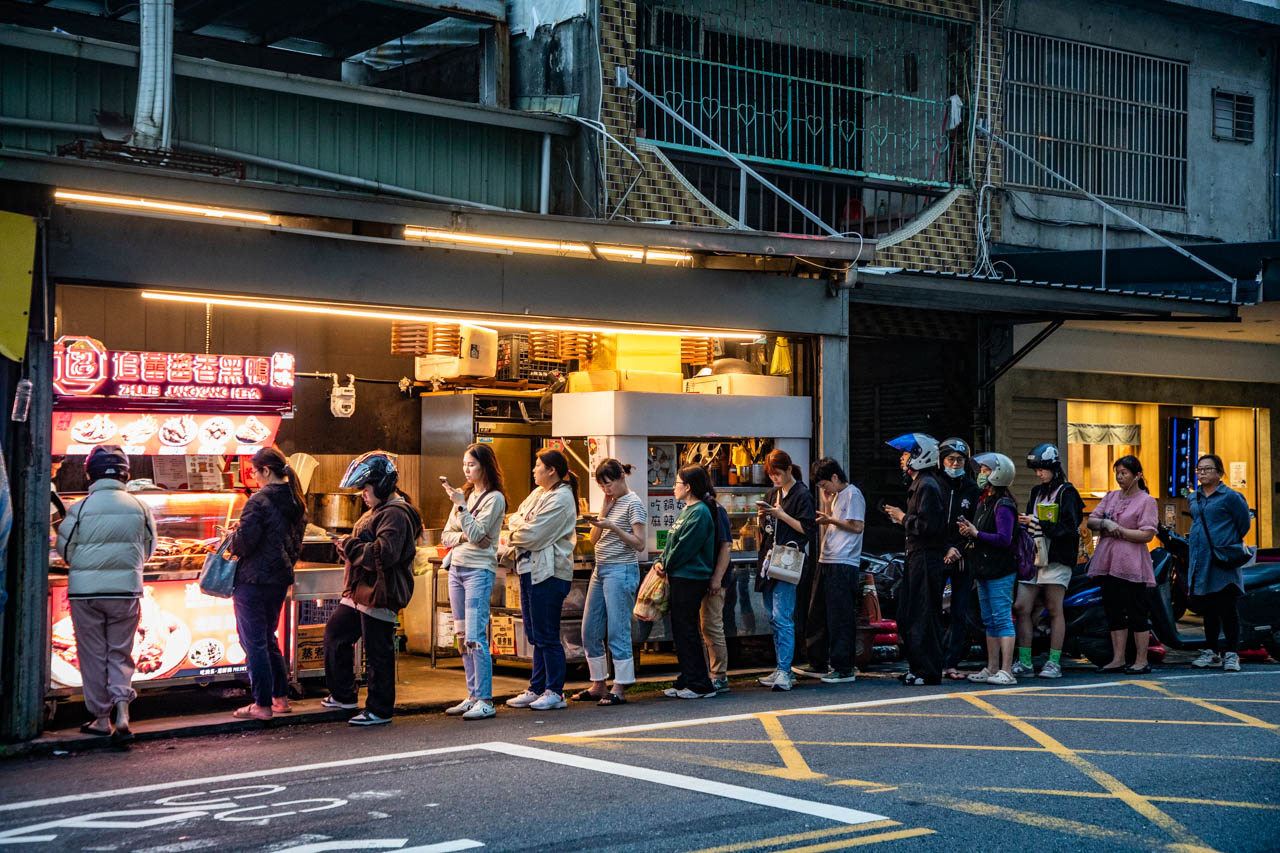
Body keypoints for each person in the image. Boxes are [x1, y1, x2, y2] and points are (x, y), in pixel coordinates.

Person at [55, 445, 156, 743]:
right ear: (126, 474)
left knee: (92, 655)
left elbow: (65, 549)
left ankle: (101, 718)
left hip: (86, 594)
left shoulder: (80, 507)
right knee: (121, 653)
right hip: (126, 591)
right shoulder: (140, 506)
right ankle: (123, 713)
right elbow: (149, 549)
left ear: (90, 474)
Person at [324, 451, 422, 726]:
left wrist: (349, 545)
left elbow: (384, 554)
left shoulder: (396, 514)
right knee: (336, 634)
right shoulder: (381, 510)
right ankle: (344, 695)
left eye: (365, 488)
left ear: (380, 485)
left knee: (377, 650)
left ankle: (379, 709)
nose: (362, 494)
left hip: (381, 591)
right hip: (361, 591)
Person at [227, 447, 307, 721]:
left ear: (266, 471)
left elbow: (245, 544)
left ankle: (261, 704)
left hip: (252, 580)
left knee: (254, 643)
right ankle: (280, 698)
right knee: (268, 639)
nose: (254, 477)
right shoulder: (297, 500)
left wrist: (232, 537)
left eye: (254, 472)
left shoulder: (259, 501)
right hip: (278, 580)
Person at [505, 449, 578, 711]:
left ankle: (555, 691)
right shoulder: (539, 494)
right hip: (529, 569)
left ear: (552, 470)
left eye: (538, 465)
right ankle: (536, 687)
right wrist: (520, 525)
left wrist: (517, 529)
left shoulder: (562, 498)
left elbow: (533, 534)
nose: (533, 470)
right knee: (535, 634)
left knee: (547, 633)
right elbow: (515, 517)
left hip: (549, 572)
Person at [441, 443, 507, 720]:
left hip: (479, 571)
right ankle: (471, 695)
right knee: (460, 635)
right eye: (464, 464)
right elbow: (446, 536)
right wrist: (465, 535)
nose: (466, 469)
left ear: (485, 466)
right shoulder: (465, 494)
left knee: (475, 636)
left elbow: (480, 536)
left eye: (471, 464)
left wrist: (461, 509)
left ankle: (486, 698)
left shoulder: (494, 499)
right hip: (456, 568)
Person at [578, 459, 646, 706]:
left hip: (621, 570)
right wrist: (602, 514)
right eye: (602, 486)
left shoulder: (634, 503)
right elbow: (595, 540)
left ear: (621, 478)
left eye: (609, 484)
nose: (606, 490)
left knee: (618, 630)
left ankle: (620, 685)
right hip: (601, 569)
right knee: (590, 629)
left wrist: (614, 527)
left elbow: (640, 544)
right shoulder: (609, 502)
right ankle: (598, 683)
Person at [1014, 443, 1084, 679]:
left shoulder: (1067, 493)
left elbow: (1069, 527)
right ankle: (1024, 661)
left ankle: (1054, 662)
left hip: (1056, 558)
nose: (1039, 473)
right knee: (1022, 606)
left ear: (1054, 467)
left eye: (1042, 469)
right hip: (1033, 557)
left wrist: (1039, 523)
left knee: (1055, 609)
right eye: (1036, 470)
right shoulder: (1036, 491)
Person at [883, 433, 946, 686]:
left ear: (921, 456)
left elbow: (929, 526)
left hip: (926, 558)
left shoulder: (928, 485)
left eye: (907, 454)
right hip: (916, 556)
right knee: (908, 612)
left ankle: (928, 671)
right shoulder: (920, 484)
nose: (903, 458)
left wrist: (902, 518)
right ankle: (917, 667)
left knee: (924, 613)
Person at [1086, 455, 1158, 674]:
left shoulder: (1147, 501)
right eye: (1117, 472)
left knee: (1136, 611)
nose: (1119, 477)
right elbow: (1091, 520)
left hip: (1132, 562)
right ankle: (1118, 658)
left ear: (1137, 476)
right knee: (1113, 610)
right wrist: (1105, 522)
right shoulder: (1111, 496)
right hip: (1108, 561)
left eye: (1124, 473)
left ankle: (1141, 660)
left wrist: (1119, 530)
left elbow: (1147, 534)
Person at [756, 449, 817, 691]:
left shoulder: (802, 494)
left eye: (778, 474)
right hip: (770, 558)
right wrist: (765, 516)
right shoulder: (773, 493)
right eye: (771, 476)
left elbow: (808, 530)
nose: (775, 479)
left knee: (782, 616)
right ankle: (781, 667)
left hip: (789, 558)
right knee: (773, 616)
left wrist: (781, 515)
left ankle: (785, 670)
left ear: (789, 469)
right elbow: (768, 526)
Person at [957, 453, 1020, 686]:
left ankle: (1006, 670)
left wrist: (976, 533)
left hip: (1000, 570)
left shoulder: (1003, 504)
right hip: (985, 569)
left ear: (998, 474)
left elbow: (1004, 539)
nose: (981, 474)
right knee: (990, 620)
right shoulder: (985, 501)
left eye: (985, 470)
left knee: (1002, 618)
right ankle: (992, 667)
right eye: (982, 470)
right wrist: (971, 531)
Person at [654, 465, 717, 699]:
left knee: (688, 629)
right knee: (681, 629)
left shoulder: (699, 511)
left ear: (688, 487)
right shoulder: (687, 510)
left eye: (677, 483)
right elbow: (672, 543)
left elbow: (686, 547)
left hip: (691, 577)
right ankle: (687, 677)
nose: (673, 487)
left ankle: (700, 683)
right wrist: (660, 561)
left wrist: (666, 563)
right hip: (680, 576)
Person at [1187, 453, 1252, 673]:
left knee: (1227, 608)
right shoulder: (1194, 497)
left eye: (1207, 469)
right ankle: (1212, 652)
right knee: (1209, 609)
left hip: (1223, 560)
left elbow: (1243, 524)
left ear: (1219, 472)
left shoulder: (1231, 497)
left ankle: (1232, 654)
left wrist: (1224, 543)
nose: (1202, 473)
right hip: (1201, 560)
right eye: (1199, 469)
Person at [811, 457, 866, 683]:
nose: (824, 489)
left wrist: (831, 520)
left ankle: (844, 667)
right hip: (830, 559)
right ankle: (823, 661)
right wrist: (827, 502)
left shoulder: (853, 494)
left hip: (844, 561)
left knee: (841, 615)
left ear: (835, 477)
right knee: (822, 612)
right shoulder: (837, 496)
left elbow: (857, 526)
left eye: (825, 485)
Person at [938, 438, 981, 681]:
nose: (955, 464)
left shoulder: (972, 488)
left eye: (959, 460)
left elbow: (975, 524)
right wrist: (945, 548)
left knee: (960, 611)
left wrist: (958, 548)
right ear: (941, 460)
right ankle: (933, 658)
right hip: (938, 554)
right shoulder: (934, 484)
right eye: (950, 459)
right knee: (932, 609)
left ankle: (952, 662)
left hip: (963, 556)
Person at [700, 481, 734, 694]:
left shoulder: (715, 508)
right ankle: (705, 675)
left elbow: (726, 544)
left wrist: (717, 578)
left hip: (713, 577)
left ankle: (719, 676)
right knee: (703, 628)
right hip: (701, 577)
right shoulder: (698, 508)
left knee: (712, 626)